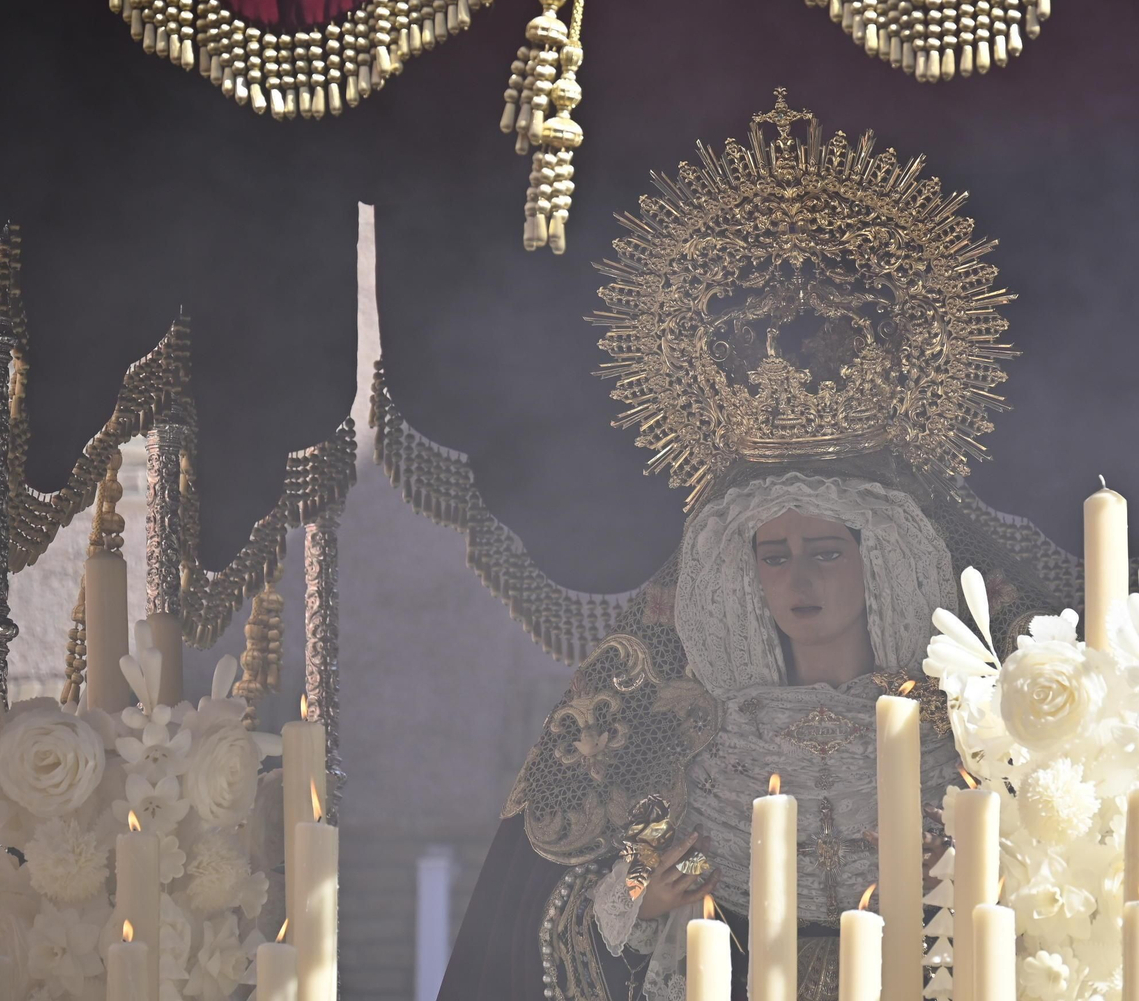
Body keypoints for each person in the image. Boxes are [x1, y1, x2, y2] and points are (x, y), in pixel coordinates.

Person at [438, 91, 1050, 1001]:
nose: (798, 578)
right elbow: (580, 908)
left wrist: (972, 877)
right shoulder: (692, 731)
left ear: (878, 558)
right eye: (775, 555)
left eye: (826, 551)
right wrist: (642, 896)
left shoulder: (963, 729)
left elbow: (1057, 889)